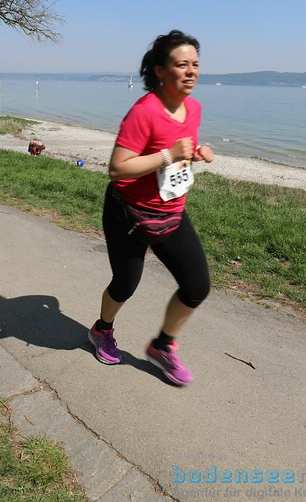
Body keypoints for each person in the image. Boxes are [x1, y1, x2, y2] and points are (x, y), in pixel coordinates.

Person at [88, 30, 215, 386]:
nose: (190, 71)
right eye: (181, 64)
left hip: (170, 212)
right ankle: (102, 329)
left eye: (195, 64)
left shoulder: (194, 108)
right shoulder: (143, 112)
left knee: (196, 286)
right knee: (126, 284)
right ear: (160, 70)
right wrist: (169, 155)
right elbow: (117, 168)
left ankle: (162, 346)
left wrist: (194, 153)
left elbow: (176, 153)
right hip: (128, 212)